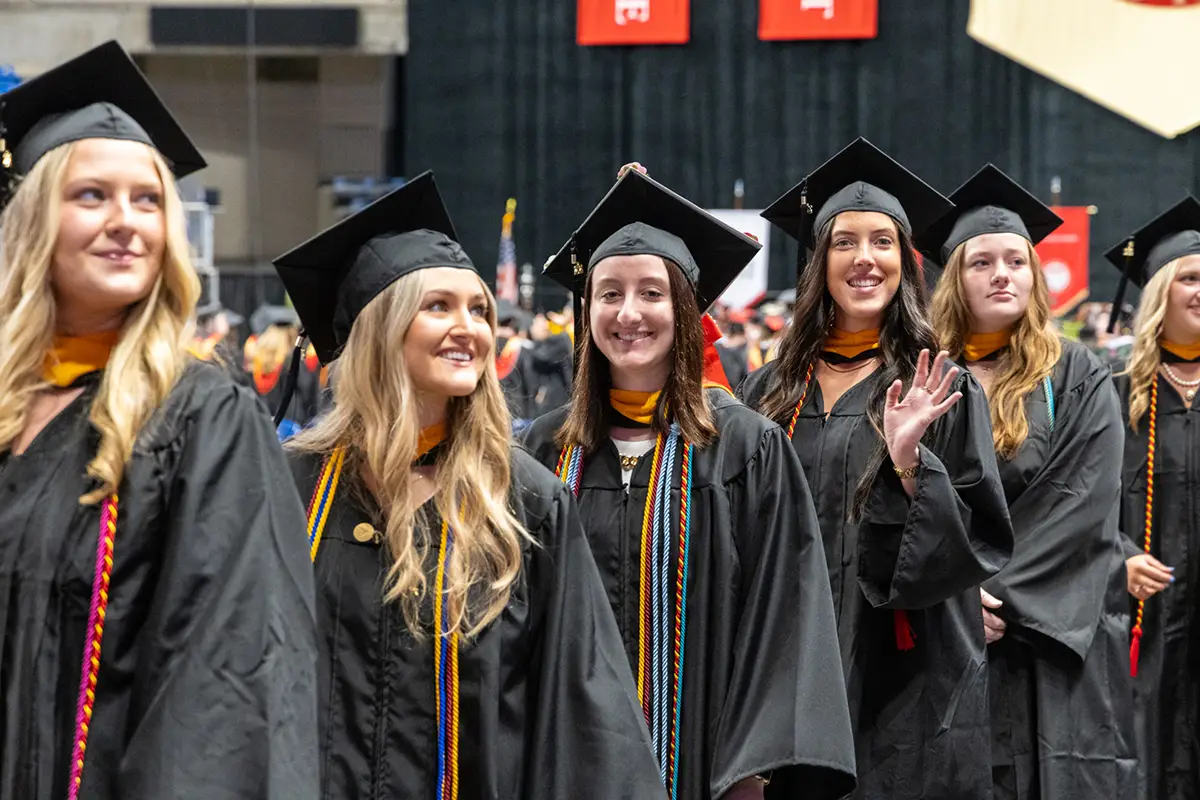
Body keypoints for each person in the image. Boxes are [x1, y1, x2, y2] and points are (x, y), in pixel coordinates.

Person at [271, 171, 664, 799]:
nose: (471, 328)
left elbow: (582, 708)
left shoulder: (526, 501)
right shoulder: (292, 488)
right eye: (438, 307)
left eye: (478, 309)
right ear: (379, 331)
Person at [0, 41, 318, 799]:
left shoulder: (204, 421)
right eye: (91, 196)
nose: (126, 222)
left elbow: (225, 689)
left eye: (147, 200)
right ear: (34, 219)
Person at [523, 167, 857, 800]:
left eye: (651, 293)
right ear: (585, 308)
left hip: (708, 770)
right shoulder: (542, 451)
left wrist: (753, 771)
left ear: (684, 309)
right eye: (609, 293)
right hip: (563, 764)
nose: (629, 313)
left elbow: (784, 617)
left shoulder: (745, 446)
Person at [738, 138, 1014, 800]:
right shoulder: (768, 392)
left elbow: (976, 538)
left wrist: (910, 465)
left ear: (905, 260)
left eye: (884, 242)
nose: (865, 258)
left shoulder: (939, 384)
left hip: (904, 671)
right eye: (845, 242)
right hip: (789, 667)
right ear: (818, 261)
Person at [921, 165, 1135, 799]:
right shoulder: (923, 371)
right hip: (941, 633)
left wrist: (991, 594)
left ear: (1034, 275)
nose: (1001, 273)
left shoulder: (1077, 374)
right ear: (954, 279)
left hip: (1047, 637)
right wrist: (952, 597)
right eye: (981, 261)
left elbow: (1082, 500)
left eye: (1016, 259)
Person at [1106, 196, 1200, 800]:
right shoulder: (1111, 398)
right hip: (1143, 621)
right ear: (1159, 292)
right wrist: (1117, 557)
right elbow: (1076, 505)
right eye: (1190, 277)